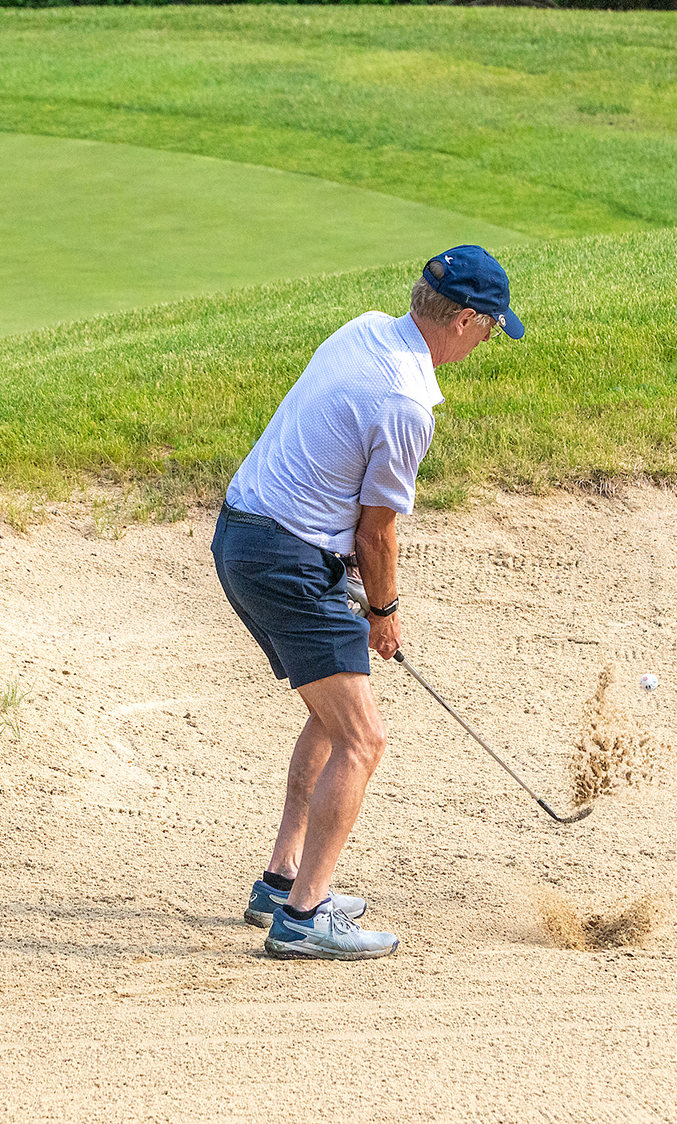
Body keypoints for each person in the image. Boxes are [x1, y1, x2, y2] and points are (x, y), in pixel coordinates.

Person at [210, 245, 525, 960]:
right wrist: (383, 613)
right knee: (364, 739)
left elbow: (331, 464)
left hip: (247, 532)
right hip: (283, 559)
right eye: (488, 327)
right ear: (463, 320)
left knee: (335, 714)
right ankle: (304, 918)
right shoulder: (407, 403)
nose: (487, 341)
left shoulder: (365, 329)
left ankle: (281, 882)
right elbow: (376, 533)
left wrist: (341, 565)